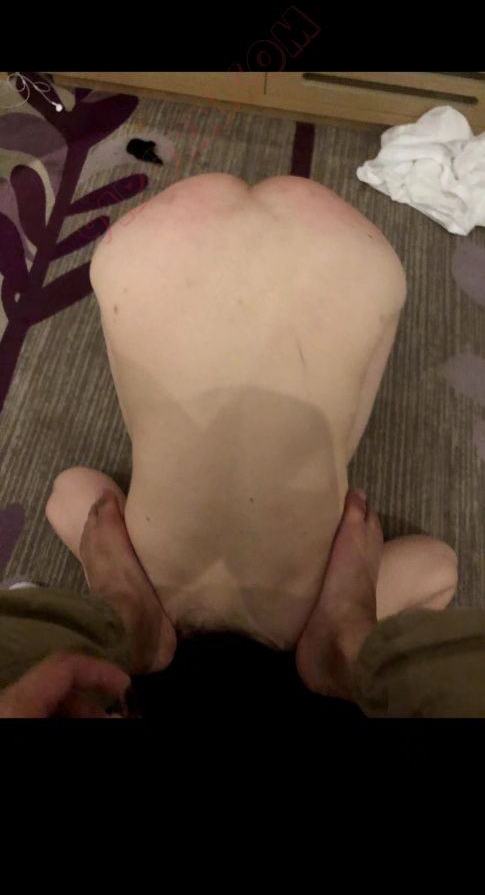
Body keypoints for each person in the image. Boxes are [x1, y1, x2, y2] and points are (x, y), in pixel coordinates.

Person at [44, 173, 458, 674]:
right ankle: (127, 613)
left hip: (353, 262)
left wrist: (353, 604)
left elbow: (439, 567)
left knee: (337, 431)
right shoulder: (147, 593)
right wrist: (119, 583)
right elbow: (69, 491)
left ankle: (346, 633)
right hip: (145, 256)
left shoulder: (310, 624)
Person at [1, 486, 484, 718]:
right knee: (438, 567)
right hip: (326, 688)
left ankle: (127, 617)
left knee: (71, 494)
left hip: (134, 676)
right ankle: (346, 638)